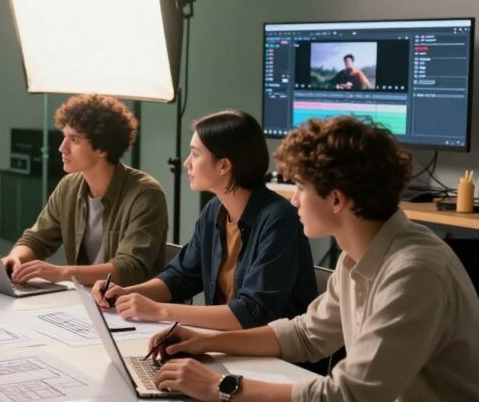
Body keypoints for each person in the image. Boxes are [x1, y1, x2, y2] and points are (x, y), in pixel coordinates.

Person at [149, 116, 479, 402]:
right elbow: (305, 335)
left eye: (301, 187)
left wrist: (220, 387)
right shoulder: (358, 256)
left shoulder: (414, 273)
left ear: (336, 200)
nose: (293, 200)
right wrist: (202, 340)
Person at [94, 110, 316, 330]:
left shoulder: (279, 221)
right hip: (227, 346)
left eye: (195, 154)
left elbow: (252, 312)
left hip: (275, 361)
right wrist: (128, 293)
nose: (187, 163)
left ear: (224, 166)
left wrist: (159, 311)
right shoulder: (215, 210)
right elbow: (180, 277)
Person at [2, 94, 168, 287]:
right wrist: (15, 258)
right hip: (84, 301)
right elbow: (37, 239)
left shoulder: (146, 194)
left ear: (102, 149)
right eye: (65, 137)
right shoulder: (69, 186)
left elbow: (129, 268)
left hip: (127, 307)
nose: (62, 147)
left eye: (74, 140)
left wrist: (61, 272)